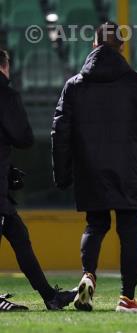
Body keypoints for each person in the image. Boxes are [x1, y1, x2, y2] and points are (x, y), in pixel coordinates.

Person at [51, 22, 137, 313]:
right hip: (130, 169)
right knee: (129, 231)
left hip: (90, 169)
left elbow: (59, 131)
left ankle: (88, 275)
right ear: (122, 47)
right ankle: (127, 298)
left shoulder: (74, 86)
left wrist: (62, 174)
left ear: (93, 46)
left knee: (95, 224)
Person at [0, 48, 76, 311]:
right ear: (4, 67)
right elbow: (24, 137)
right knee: (18, 237)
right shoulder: (6, 94)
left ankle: (50, 296)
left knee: (19, 235)